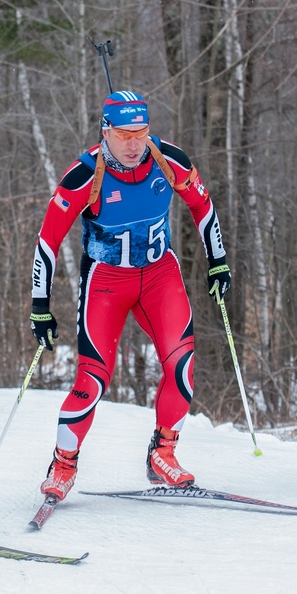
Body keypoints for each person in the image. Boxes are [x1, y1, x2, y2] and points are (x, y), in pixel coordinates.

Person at [28, 91, 231, 501]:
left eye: (141, 132)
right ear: (106, 132)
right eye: (124, 134)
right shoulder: (83, 175)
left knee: (182, 364)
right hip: (107, 280)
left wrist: (218, 260)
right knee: (92, 380)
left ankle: (163, 453)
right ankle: (63, 464)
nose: (135, 143)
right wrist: (40, 307)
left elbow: (203, 207)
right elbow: (47, 242)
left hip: (159, 274)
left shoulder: (167, 160)